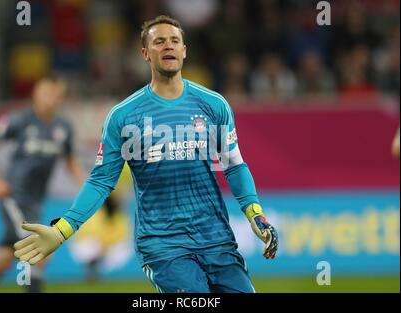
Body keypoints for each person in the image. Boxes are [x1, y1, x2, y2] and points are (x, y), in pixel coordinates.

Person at [14, 15, 278, 293]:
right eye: (159, 41)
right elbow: (101, 181)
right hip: (163, 246)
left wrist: (255, 214)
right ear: (145, 53)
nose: (168, 46)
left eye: (175, 41)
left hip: (216, 239)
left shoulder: (214, 105)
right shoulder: (124, 116)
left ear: (184, 51)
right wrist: (62, 229)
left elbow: (234, 166)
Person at [0, 74, 86, 293]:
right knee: (40, 251)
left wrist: (88, 188)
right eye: (46, 92)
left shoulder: (63, 127)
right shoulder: (20, 120)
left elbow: (70, 161)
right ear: (35, 94)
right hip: (14, 197)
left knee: (3, 260)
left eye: (56, 94)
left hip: (35, 201)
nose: (51, 98)